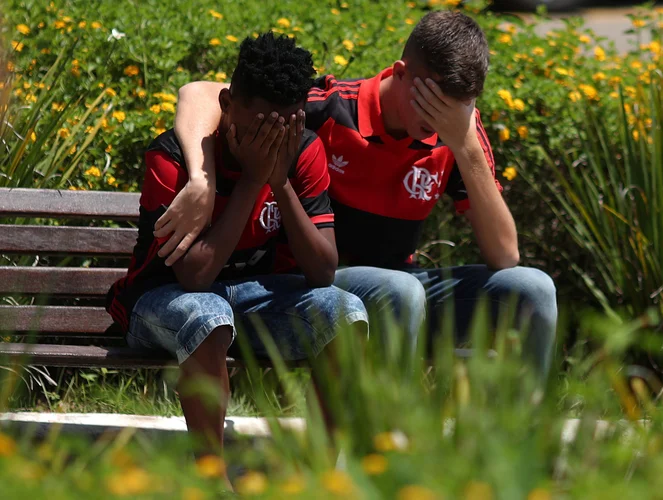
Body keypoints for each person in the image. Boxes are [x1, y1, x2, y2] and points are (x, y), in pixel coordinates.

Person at [161, 11, 557, 378]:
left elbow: (505, 255)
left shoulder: (458, 133)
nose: (441, 120)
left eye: (460, 107)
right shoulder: (333, 109)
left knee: (532, 289)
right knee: (402, 290)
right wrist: (201, 178)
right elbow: (199, 93)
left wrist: (465, 145)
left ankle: (522, 443)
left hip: (407, 293)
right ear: (401, 74)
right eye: (433, 102)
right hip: (320, 290)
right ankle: (386, 441)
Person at [105, 32, 368, 485]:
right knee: (209, 314)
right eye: (260, 126)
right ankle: (213, 482)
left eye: (285, 126)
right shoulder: (171, 160)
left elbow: (323, 270)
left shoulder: (303, 151)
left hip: (250, 302)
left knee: (346, 312)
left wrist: (279, 182)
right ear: (226, 104)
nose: (272, 138)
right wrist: (251, 182)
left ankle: (321, 478)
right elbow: (194, 276)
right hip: (160, 302)